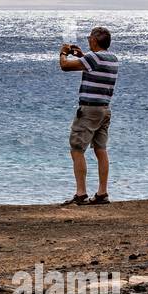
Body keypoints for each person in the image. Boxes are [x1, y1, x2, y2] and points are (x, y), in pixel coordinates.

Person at [58, 27, 119, 205]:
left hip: (89, 110)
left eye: (89, 37)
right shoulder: (112, 59)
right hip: (105, 109)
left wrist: (63, 53)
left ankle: (81, 193)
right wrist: (82, 55)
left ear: (95, 40)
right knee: (101, 150)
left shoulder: (93, 58)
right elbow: (93, 65)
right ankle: (102, 193)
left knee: (77, 149)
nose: (88, 39)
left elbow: (65, 66)